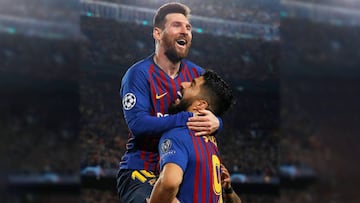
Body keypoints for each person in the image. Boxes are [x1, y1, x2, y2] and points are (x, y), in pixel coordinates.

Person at [117, 3, 222, 203]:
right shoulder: (138, 74)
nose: (185, 31)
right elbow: (138, 125)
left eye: (188, 27)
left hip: (186, 166)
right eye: (176, 25)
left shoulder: (198, 74)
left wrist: (217, 123)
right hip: (143, 167)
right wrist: (187, 118)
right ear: (157, 33)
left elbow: (213, 111)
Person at [148, 70, 241, 203]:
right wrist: (228, 190)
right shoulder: (211, 141)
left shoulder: (177, 135)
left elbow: (169, 183)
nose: (183, 84)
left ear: (200, 105)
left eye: (192, 85)